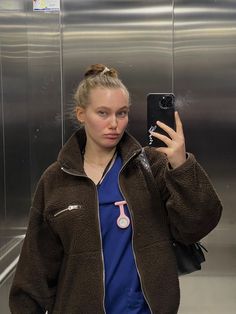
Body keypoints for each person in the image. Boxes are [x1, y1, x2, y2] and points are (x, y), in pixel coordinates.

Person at [9, 64, 222, 314]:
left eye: (121, 113)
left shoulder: (151, 166)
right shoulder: (56, 180)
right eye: (103, 113)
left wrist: (181, 164)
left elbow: (199, 223)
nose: (114, 124)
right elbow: (34, 271)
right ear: (81, 114)